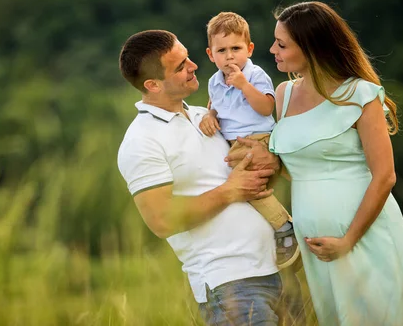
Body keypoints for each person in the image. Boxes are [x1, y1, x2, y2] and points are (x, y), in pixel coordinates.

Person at [265, 1, 403, 325]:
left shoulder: (361, 94)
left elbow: (385, 176)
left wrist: (349, 239)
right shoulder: (284, 95)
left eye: (282, 44)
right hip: (316, 244)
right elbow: (298, 166)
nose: (273, 49)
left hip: (363, 235)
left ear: (312, 48)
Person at [117, 30, 286, 325]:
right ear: (152, 84)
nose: (194, 66)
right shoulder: (141, 140)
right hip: (232, 285)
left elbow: (261, 151)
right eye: (180, 66)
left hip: (283, 268)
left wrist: (271, 158)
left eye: (188, 58)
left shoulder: (207, 115)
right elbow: (162, 220)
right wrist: (229, 191)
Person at [199, 11, 299, 269]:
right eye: (221, 50)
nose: (229, 56)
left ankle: (284, 226)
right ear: (211, 55)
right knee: (244, 183)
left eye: (236, 48)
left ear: (249, 49)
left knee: (244, 181)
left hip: (260, 138)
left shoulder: (255, 76)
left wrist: (244, 85)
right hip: (239, 142)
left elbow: (266, 107)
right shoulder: (214, 82)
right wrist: (210, 114)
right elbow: (217, 105)